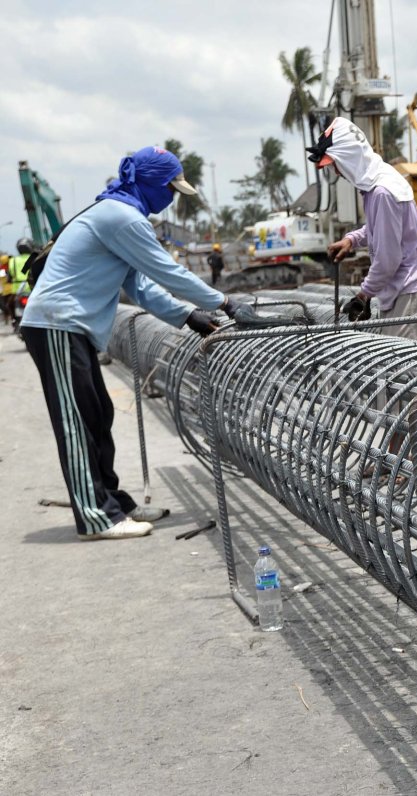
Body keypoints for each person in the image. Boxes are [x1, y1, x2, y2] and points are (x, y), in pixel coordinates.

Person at [21, 146, 253, 541]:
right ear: (151, 184)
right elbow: (168, 272)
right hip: (56, 324)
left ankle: (114, 502)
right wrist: (224, 302)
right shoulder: (121, 217)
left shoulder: (118, 213)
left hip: (71, 327)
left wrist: (187, 317)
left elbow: (140, 286)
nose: (173, 197)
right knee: (77, 423)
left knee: (98, 415)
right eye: (171, 188)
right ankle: (96, 516)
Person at [311, 117, 417, 342]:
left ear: (349, 159)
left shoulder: (381, 192)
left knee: (410, 372)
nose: (338, 173)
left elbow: (387, 260)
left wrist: (364, 294)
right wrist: (352, 239)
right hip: (405, 290)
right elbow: (380, 228)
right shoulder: (380, 179)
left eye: (335, 165)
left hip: (410, 293)